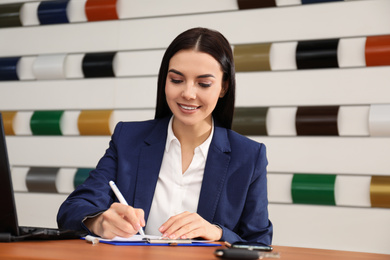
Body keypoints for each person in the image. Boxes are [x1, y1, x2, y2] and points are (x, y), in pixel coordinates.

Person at [57, 27, 273, 245]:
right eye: (176, 80)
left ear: (224, 87)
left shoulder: (249, 156)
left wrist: (217, 232)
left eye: (204, 83)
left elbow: (259, 243)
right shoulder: (128, 139)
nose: (188, 93)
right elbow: (73, 209)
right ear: (164, 81)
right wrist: (99, 221)